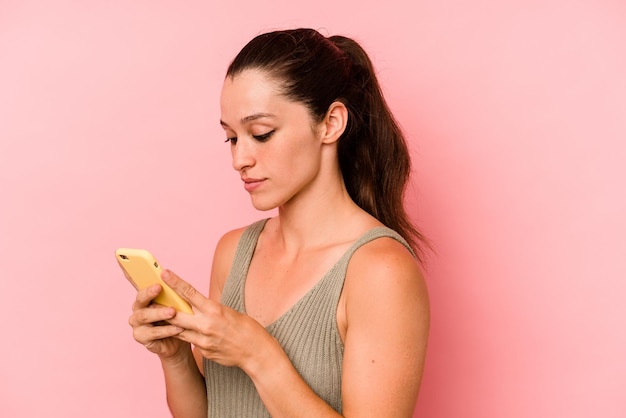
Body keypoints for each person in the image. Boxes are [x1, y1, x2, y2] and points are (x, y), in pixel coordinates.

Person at [128, 28, 430, 417]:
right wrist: (174, 356)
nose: (240, 159)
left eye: (261, 133)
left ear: (331, 123)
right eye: (232, 139)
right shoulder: (233, 252)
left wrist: (259, 355)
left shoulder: (380, 270)